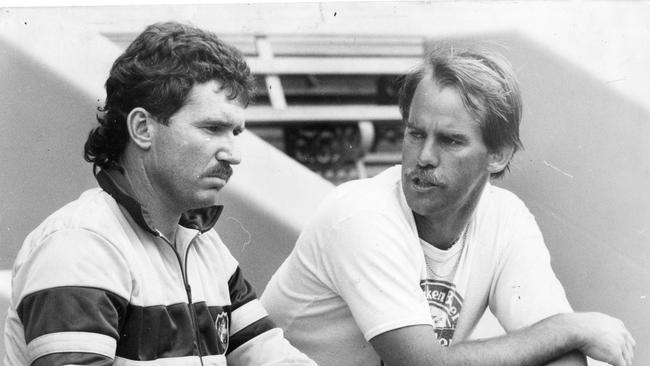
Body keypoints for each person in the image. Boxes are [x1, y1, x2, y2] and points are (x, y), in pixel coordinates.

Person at [261, 45, 636, 366]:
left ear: (498, 155)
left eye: (451, 141)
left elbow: (561, 351)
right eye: (415, 133)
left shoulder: (506, 217)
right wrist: (568, 328)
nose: (423, 156)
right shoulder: (362, 215)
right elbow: (421, 364)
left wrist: (565, 337)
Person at [4, 21, 315, 366]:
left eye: (235, 132)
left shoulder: (207, 247)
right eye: (212, 128)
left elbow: (275, 359)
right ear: (142, 128)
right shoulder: (80, 244)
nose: (233, 153)